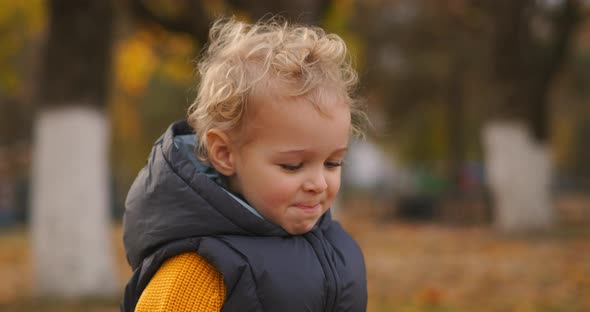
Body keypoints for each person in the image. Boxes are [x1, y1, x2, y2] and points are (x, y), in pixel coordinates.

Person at [121, 16, 368, 312]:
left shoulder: (338, 249)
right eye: (292, 166)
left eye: (333, 163)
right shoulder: (201, 269)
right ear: (225, 154)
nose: (318, 183)